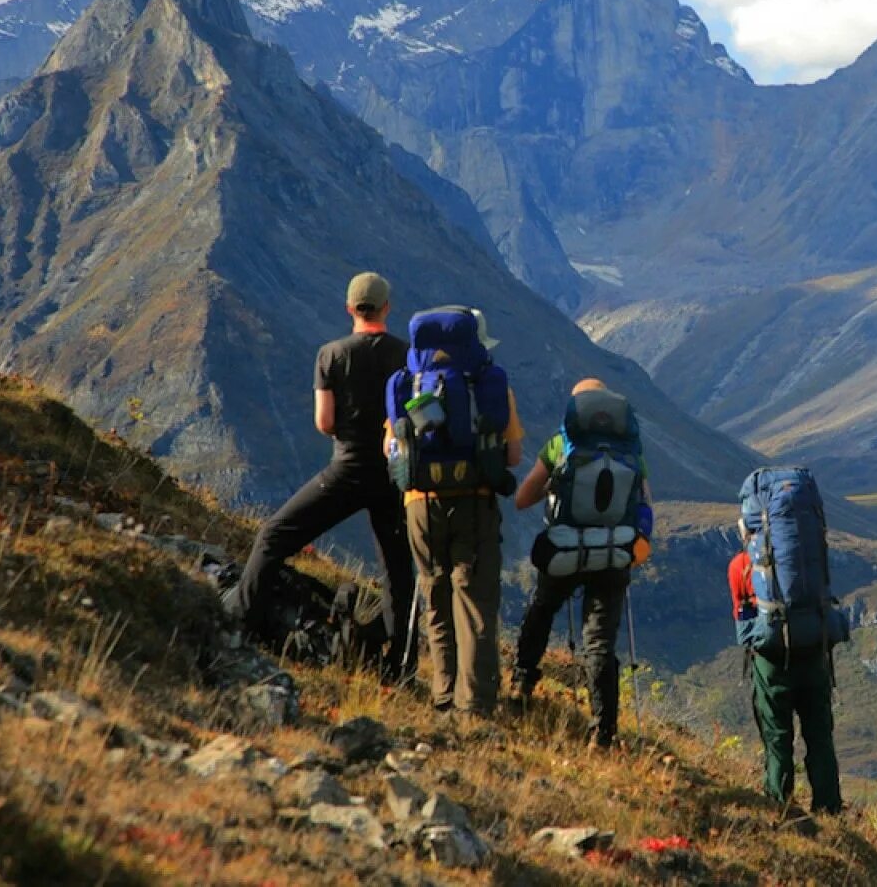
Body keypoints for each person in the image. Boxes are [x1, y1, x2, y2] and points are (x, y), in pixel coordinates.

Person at [222, 272, 415, 680]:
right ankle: (400, 666)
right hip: (392, 475)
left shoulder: (331, 354)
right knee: (397, 570)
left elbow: (324, 422)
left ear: (349, 308)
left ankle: (242, 622)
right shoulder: (406, 354)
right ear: (386, 309)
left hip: (346, 469)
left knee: (274, 536)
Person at [385, 307, 523, 718]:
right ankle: (475, 705)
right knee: (474, 598)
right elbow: (513, 456)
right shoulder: (488, 383)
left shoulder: (406, 383)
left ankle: (442, 696)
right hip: (474, 502)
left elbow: (392, 451)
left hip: (420, 505)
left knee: (434, 591)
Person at [511, 379, 652, 749]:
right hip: (613, 554)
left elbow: (524, 498)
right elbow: (645, 505)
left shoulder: (562, 442)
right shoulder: (632, 451)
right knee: (599, 642)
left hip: (565, 550)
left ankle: (522, 682)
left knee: (542, 608)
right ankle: (603, 731)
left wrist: (554, 486)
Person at [729, 473, 844, 816]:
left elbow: (742, 618)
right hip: (814, 651)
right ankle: (829, 809)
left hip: (772, 661)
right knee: (820, 736)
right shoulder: (809, 560)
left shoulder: (740, 567)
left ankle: (779, 806)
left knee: (777, 738)